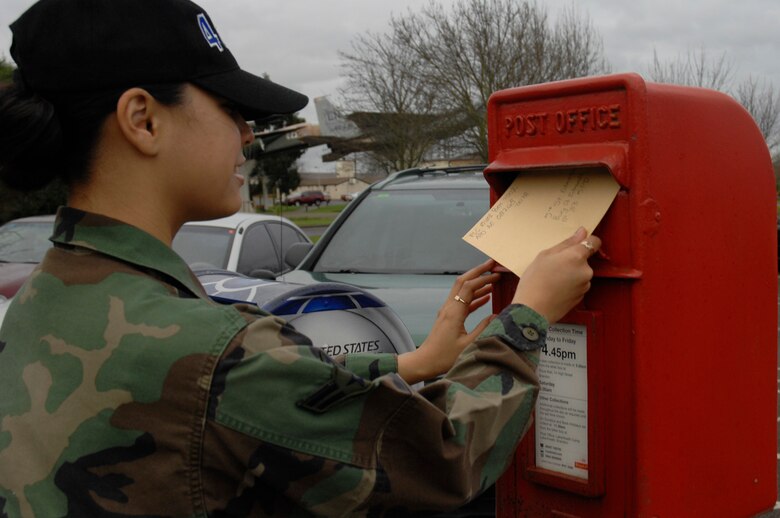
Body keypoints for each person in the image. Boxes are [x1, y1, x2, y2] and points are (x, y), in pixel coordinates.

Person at [0, 0, 601, 516]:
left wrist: (412, 363)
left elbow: (258, 401)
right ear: (143, 120)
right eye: (230, 110)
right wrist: (527, 318)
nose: (246, 136)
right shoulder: (209, 350)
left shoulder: (36, 301)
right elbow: (443, 456)